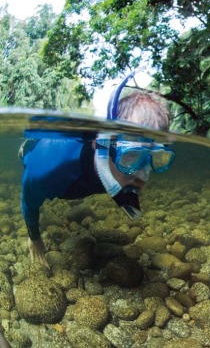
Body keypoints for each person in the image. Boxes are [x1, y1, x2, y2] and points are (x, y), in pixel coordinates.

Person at [20, 72, 175, 267]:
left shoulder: (121, 173)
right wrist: (34, 238)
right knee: (27, 154)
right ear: (101, 144)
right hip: (35, 150)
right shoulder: (49, 169)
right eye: (131, 156)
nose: (144, 175)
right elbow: (28, 202)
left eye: (153, 158)